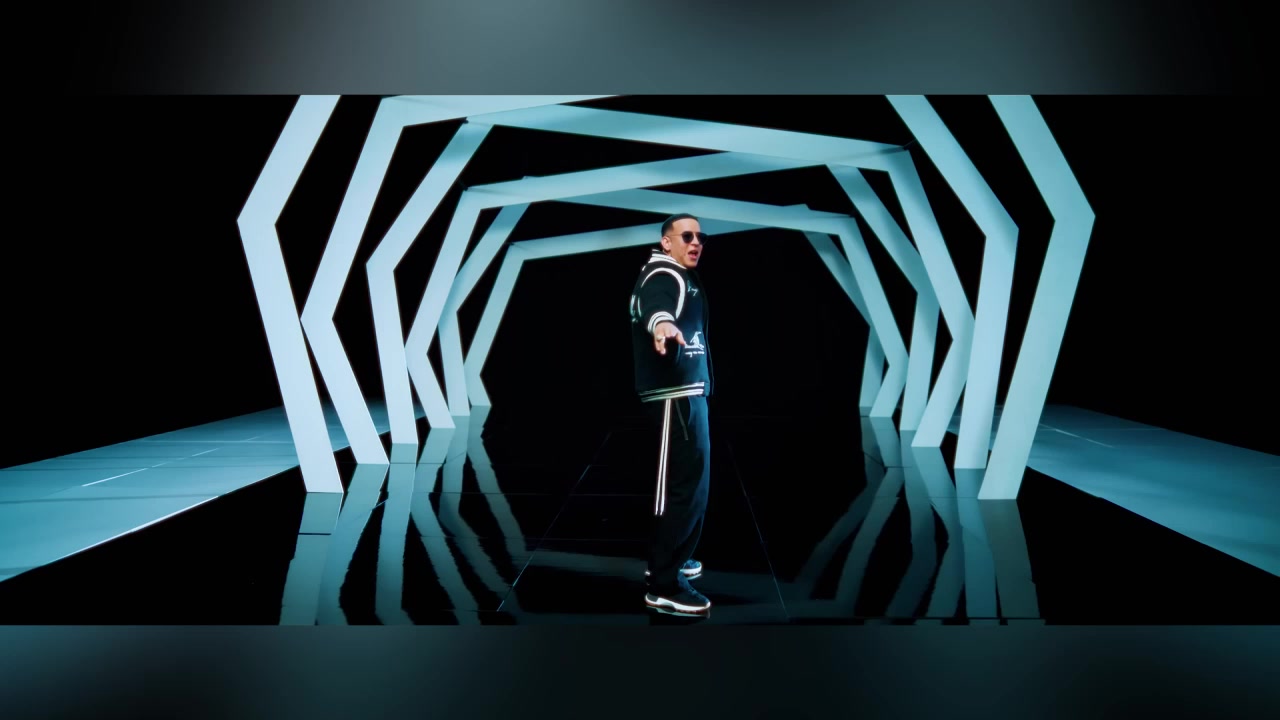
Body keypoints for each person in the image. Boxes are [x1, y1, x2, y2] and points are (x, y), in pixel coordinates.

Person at [628, 213, 715, 616]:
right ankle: (663, 583)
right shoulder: (663, 273)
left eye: (700, 236)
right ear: (667, 242)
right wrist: (661, 326)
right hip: (673, 397)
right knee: (681, 488)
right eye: (687, 236)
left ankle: (673, 558)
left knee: (692, 484)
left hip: (685, 393)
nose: (696, 242)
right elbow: (656, 308)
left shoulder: (681, 274)